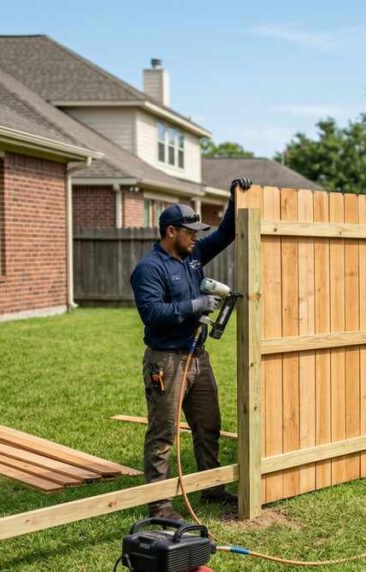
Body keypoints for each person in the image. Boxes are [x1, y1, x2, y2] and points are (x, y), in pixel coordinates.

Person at [129, 178, 250, 519]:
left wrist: (232, 195)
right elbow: (152, 313)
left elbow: (226, 234)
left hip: (198, 357)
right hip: (166, 361)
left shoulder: (193, 255)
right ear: (171, 231)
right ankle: (160, 504)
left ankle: (211, 488)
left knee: (208, 425)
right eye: (190, 231)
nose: (196, 236)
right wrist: (196, 305)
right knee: (163, 434)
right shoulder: (149, 269)